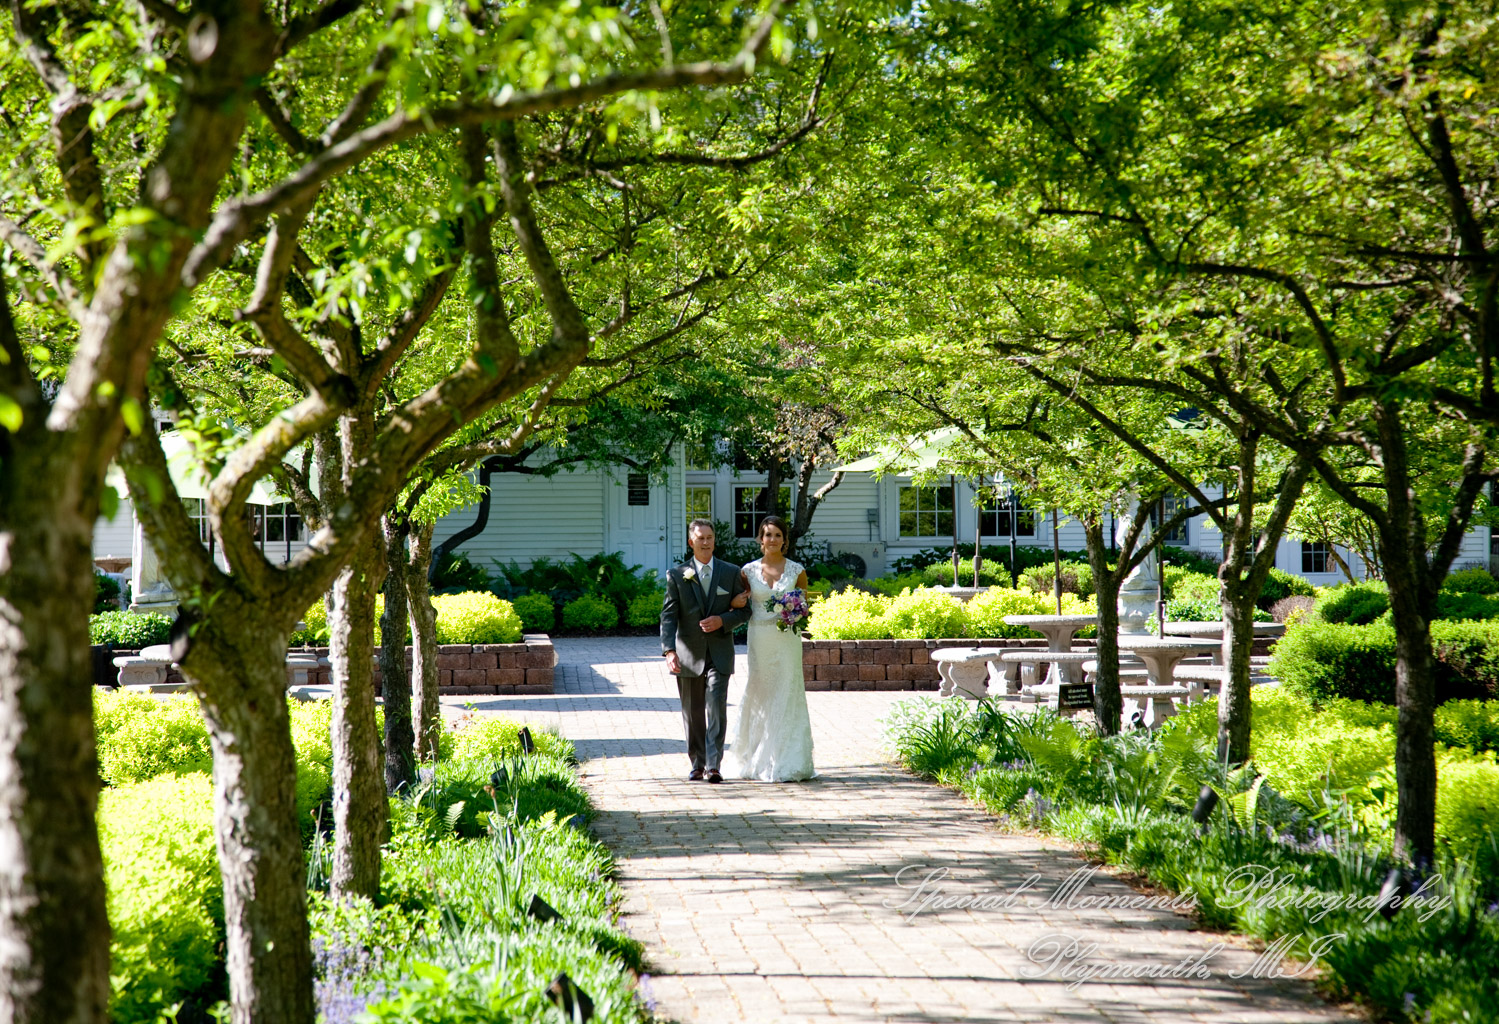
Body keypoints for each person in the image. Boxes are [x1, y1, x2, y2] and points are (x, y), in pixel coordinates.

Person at [723, 515, 816, 782]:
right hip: (760, 639)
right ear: (760, 540)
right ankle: (755, 758)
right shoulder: (748, 571)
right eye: (767, 535)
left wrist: (797, 613)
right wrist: (737, 602)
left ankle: (789, 760)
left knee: (787, 691)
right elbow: (739, 603)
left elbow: (804, 606)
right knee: (761, 690)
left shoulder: (797, 571)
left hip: (787, 641)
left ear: (784, 540)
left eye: (777, 535)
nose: (772, 539)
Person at [660, 519, 752, 783]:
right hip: (688, 654)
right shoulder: (677, 575)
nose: (706, 542)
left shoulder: (730, 572)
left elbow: (746, 610)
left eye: (710, 537)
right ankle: (697, 764)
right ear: (691, 542)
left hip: (720, 652)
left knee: (716, 709)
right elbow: (668, 616)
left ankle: (713, 766)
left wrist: (723, 620)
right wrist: (669, 651)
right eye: (700, 538)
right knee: (693, 713)